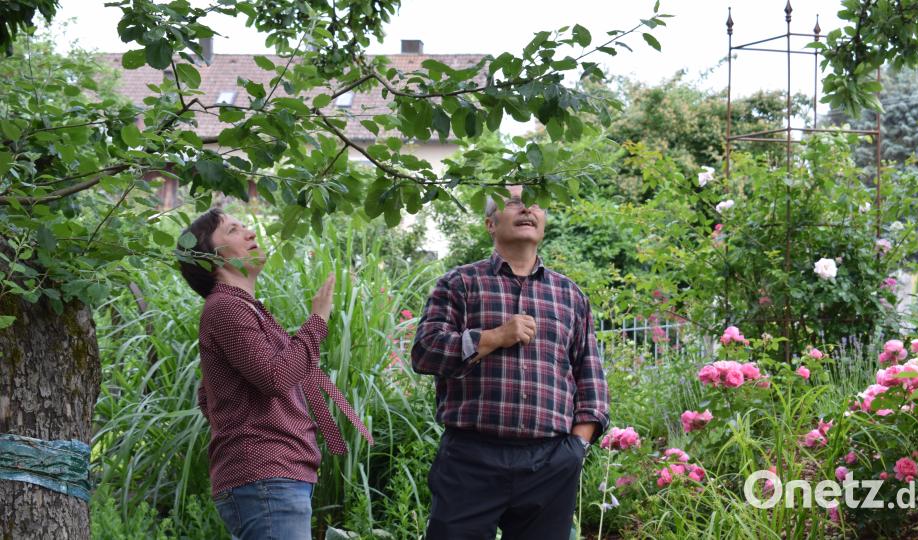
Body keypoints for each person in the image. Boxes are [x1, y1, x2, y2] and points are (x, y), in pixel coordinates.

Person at [412, 185, 610, 539]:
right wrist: (493, 338)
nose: (527, 209)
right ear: (490, 224)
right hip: (470, 458)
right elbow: (425, 351)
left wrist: (576, 448)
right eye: (514, 202)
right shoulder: (459, 284)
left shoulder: (570, 296)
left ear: (544, 222)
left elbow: (590, 379)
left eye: (535, 203)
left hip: (551, 462)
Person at [177, 208, 373, 540]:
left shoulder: (243, 308)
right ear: (210, 259)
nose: (251, 233)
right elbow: (275, 377)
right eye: (234, 230)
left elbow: (208, 397)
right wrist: (318, 320)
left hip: (273, 478)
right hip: (266, 479)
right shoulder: (227, 307)